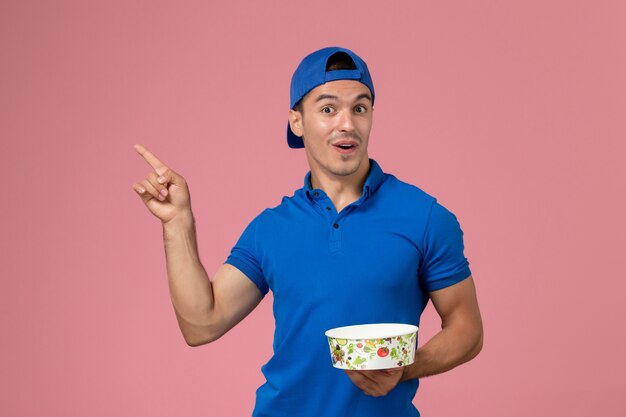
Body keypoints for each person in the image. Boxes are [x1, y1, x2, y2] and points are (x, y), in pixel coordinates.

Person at [132, 46, 483, 416]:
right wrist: (177, 224)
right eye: (328, 109)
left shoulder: (425, 217)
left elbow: (466, 328)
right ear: (296, 122)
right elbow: (202, 324)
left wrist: (406, 369)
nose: (346, 124)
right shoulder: (271, 228)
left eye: (359, 108)